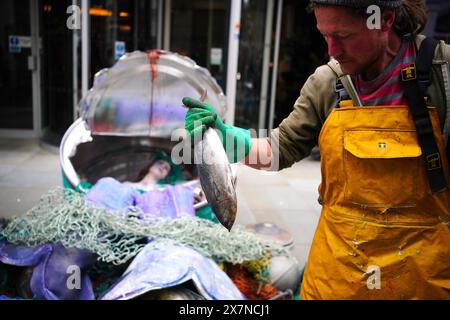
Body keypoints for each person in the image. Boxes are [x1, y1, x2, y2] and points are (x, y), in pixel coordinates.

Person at [183, 0, 450, 299]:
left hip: (421, 280)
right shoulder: (327, 82)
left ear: (384, 20)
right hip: (338, 276)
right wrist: (226, 137)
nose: (332, 50)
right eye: (325, 36)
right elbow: (280, 148)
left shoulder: (443, 75)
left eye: (344, 36)